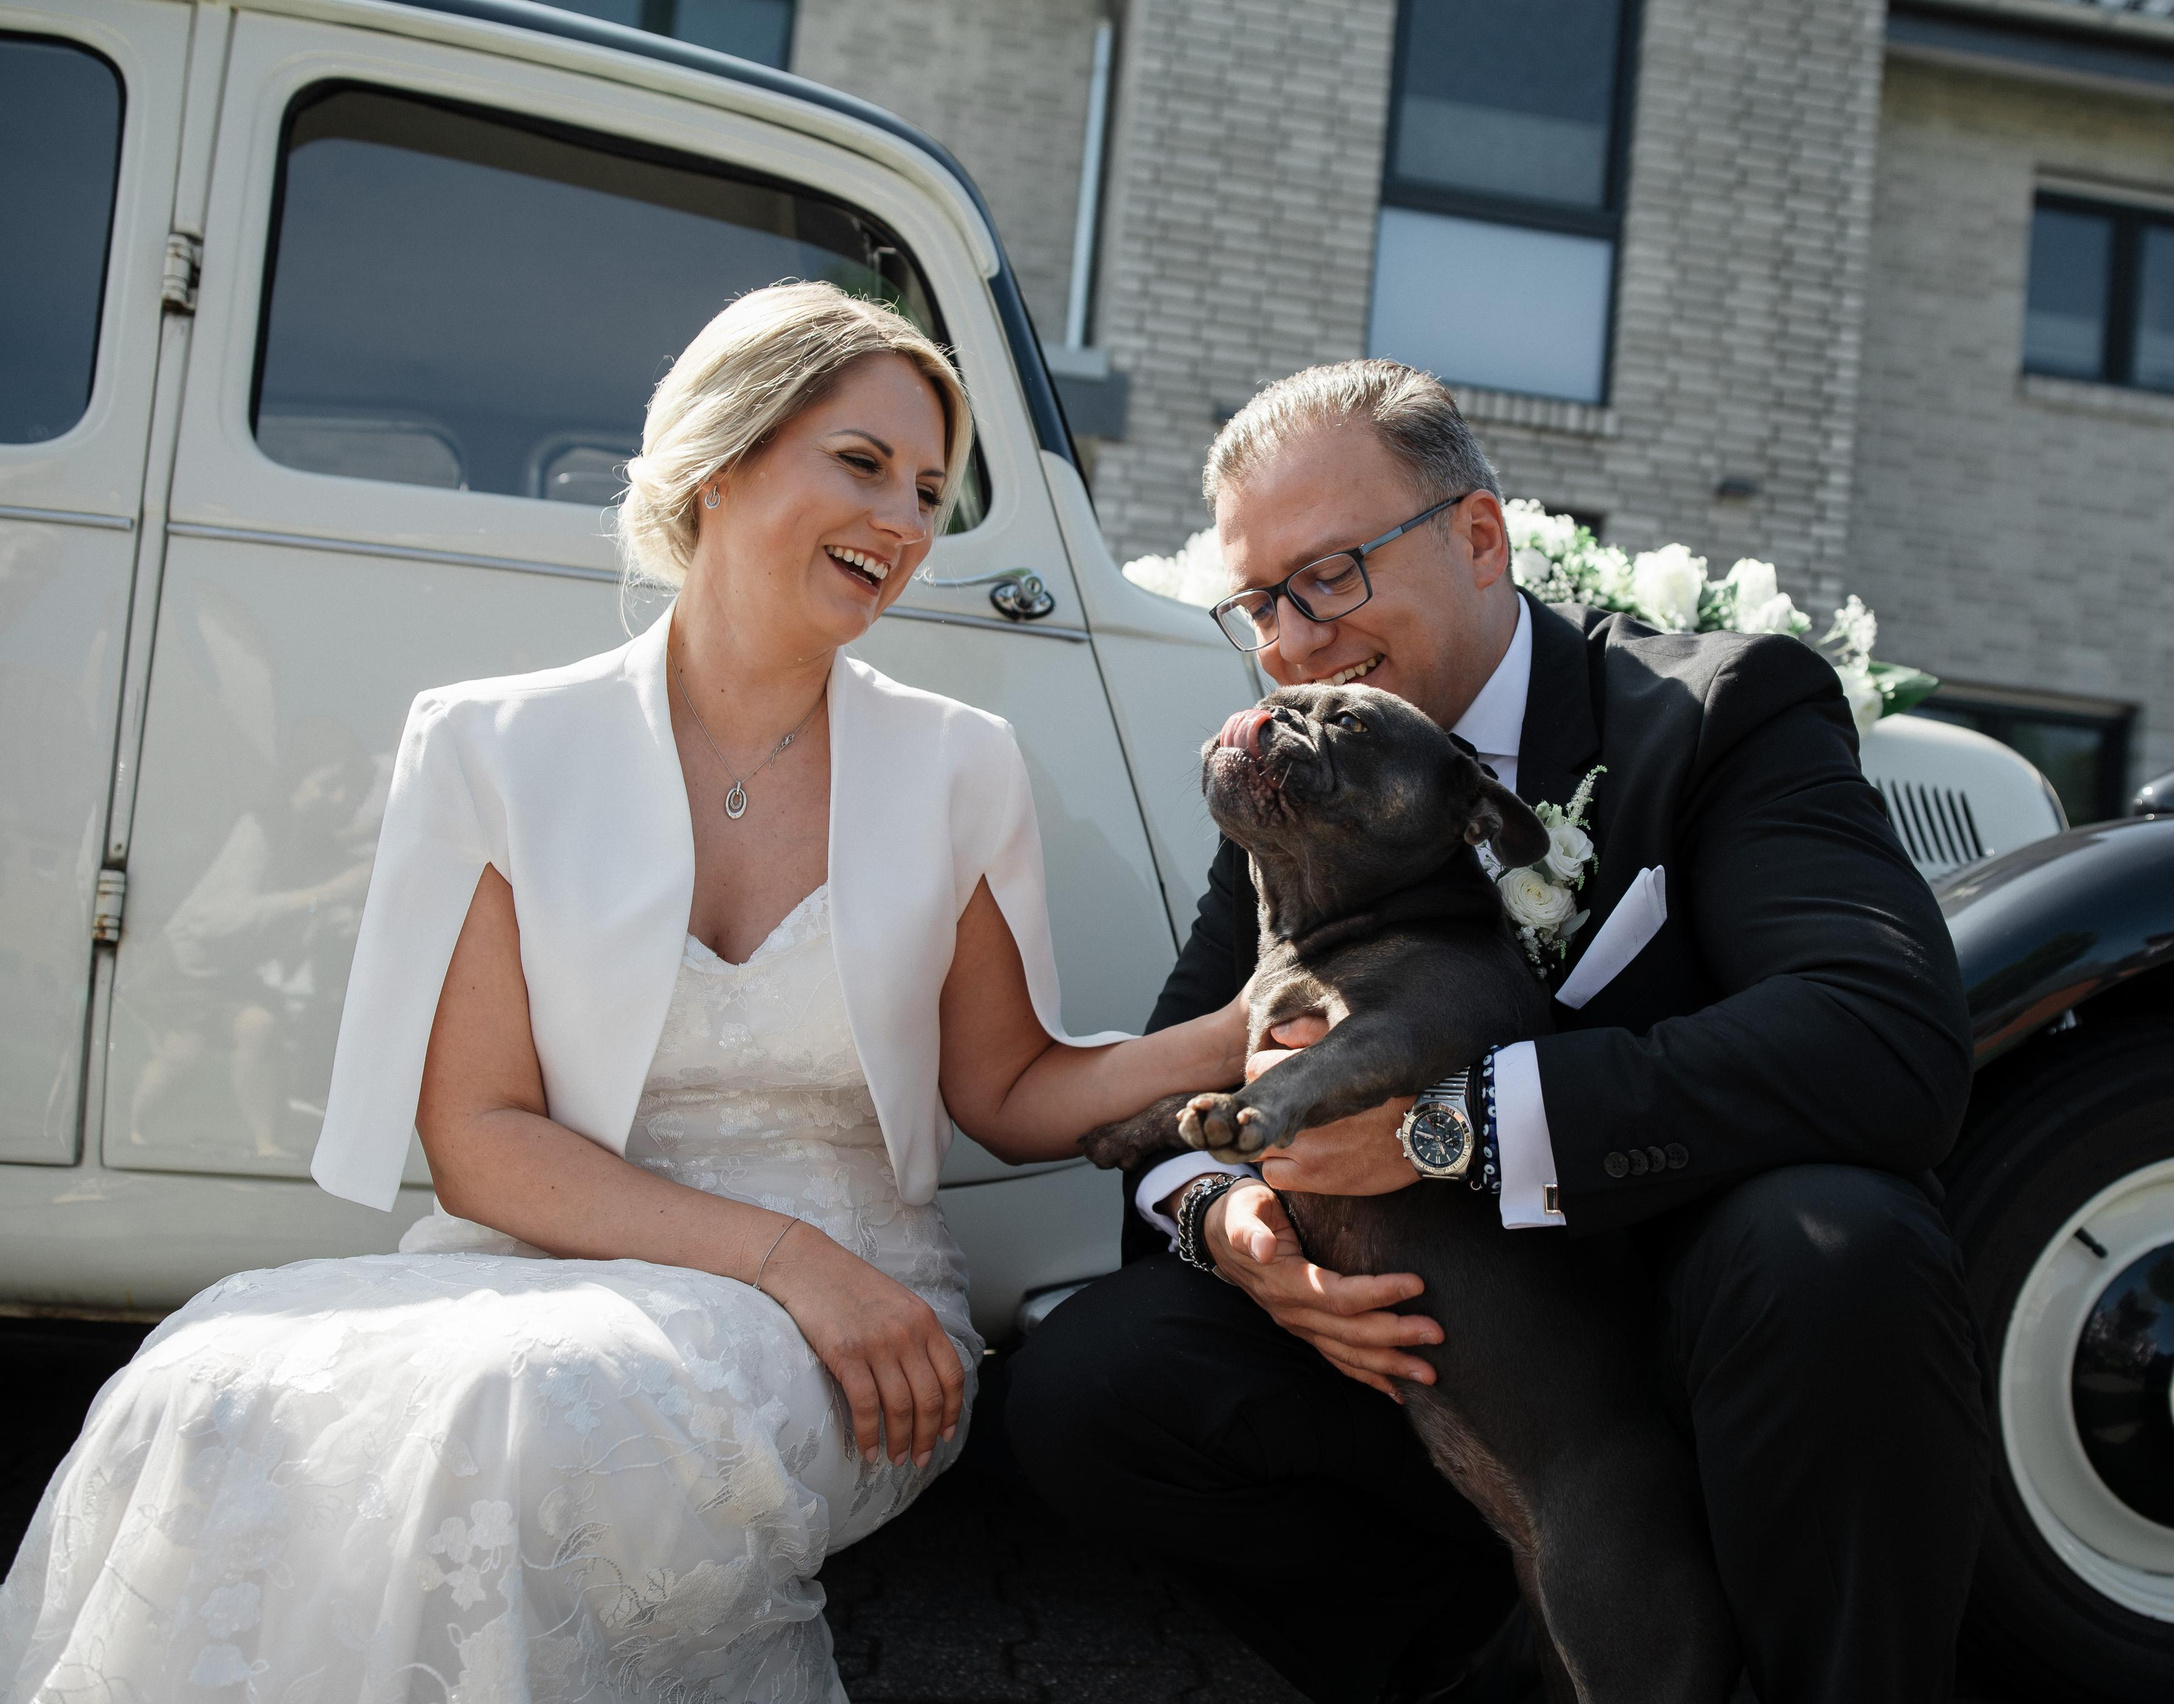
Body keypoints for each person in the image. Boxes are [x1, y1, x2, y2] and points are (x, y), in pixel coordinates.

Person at [0, 283, 1247, 1703]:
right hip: (557, 1266)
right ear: (719, 463)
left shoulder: (961, 762)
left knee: (518, 1414)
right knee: (207, 1383)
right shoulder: (490, 744)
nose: (903, 521)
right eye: (861, 463)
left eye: (926, 490)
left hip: (866, 1313)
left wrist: (1231, 1035)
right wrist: (785, 1261)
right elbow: (480, 1138)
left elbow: (1008, 1091)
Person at [1003, 360, 1991, 1704]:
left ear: (1479, 538)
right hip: (1449, 1352)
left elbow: (1883, 1035)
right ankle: (1498, 1671)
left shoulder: (1716, 714)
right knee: (1092, 1388)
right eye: (1260, 603)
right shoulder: (1306, 771)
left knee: (1837, 1248)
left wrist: (1452, 1128)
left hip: (1703, 1317)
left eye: (1328, 575)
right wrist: (1233, 1231)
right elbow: (1194, 1065)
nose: (1291, 642)